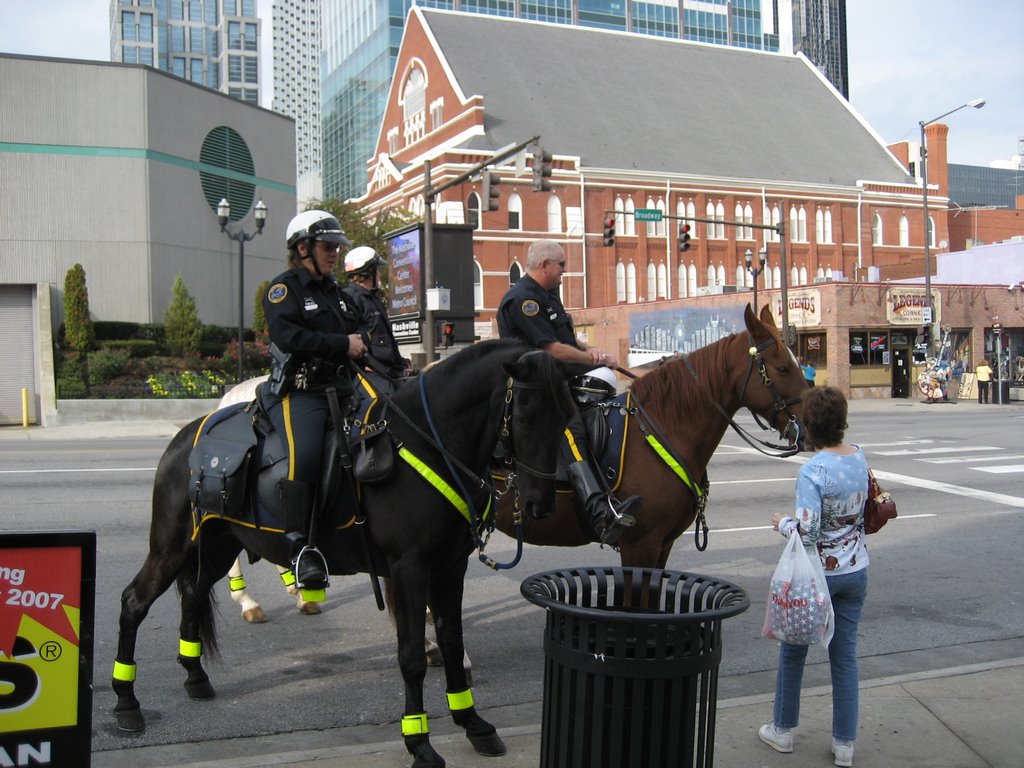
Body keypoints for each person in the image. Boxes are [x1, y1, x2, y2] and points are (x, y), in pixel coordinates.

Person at [496, 240, 639, 544]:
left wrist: (594, 351)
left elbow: (567, 341)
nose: (565, 270)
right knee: (570, 426)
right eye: (561, 264)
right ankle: (597, 509)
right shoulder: (523, 300)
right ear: (544, 265)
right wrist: (593, 359)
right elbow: (553, 351)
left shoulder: (547, 296)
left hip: (559, 377)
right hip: (535, 385)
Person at [760, 386, 869, 768]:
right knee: (845, 659)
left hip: (816, 579)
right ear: (840, 421)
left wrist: (782, 524)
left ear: (809, 424)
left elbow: (809, 532)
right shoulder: (859, 456)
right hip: (856, 570)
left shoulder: (813, 471)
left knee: (793, 654)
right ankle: (844, 745)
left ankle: (783, 730)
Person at [262, 210, 368, 590]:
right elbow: (288, 338)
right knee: (304, 454)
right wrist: (343, 343)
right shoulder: (284, 289)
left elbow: (358, 331)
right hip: (302, 392)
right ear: (302, 248)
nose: (335, 253)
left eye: (337, 248)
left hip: (343, 390)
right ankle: (298, 546)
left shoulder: (335, 293)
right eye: (328, 247)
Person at [342, 245, 413, 395]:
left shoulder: (375, 299)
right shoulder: (349, 299)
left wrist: (401, 363)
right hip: (372, 376)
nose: (380, 273)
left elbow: (385, 339)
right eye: (377, 269)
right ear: (368, 271)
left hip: (390, 373)